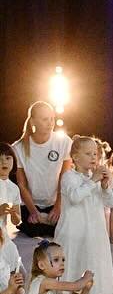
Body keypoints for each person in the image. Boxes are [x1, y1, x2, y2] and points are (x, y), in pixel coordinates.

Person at [54, 135, 113, 294]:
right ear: (75, 157)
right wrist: (94, 181)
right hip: (72, 233)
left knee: (83, 274)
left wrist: (105, 187)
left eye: (95, 154)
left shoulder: (94, 178)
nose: (93, 157)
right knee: (67, 275)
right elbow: (74, 197)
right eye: (88, 154)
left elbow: (110, 203)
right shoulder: (69, 176)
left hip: (92, 233)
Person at [13, 101, 72, 238]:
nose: (50, 123)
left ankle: (46, 223)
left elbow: (65, 178)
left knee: (64, 229)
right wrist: (33, 211)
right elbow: (21, 184)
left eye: (52, 118)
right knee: (33, 230)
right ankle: (38, 222)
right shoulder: (18, 147)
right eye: (45, 119)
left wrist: (58, 207)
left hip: (56, 202)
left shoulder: (64, 142)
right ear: (33, 122)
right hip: (32, 204)